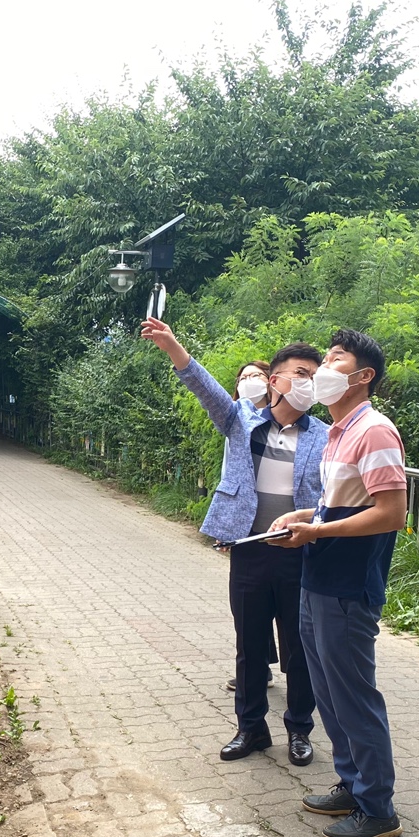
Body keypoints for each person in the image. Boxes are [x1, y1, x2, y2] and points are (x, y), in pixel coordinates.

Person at [141, 317, 328, 766]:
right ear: (276, 379)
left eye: (313, 377)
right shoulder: (241, 421)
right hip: (249, 547)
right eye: (299, 374)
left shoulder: (325, 435)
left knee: (300, 647)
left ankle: (300, 730)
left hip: (300, 549)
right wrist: (173, 348)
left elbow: (336, 494)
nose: (307, 383)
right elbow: (204, 387)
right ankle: (251, 728)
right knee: (249, 642)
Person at [270, 329, 407, 837]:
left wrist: (319, 530)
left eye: (334, 359)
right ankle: (352, 785)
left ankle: (378, 810)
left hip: (348, 584)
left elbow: (391, 512)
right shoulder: (337, 432)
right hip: (319, 576)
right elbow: (345, 503)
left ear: (363, 375)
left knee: (353, 696)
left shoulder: (374, 431)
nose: (323, 369)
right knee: (328, 692)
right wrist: (307, 516)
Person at [224, 361, 279, 693]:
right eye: (243, 377)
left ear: (271, 381)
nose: (249, 381)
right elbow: (229, 474)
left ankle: (299, 676)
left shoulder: (285, 421)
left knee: (281, 605)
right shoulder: (234, 418)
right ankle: (257, 668)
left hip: (285, 526)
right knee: (247, 607)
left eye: (255, 375)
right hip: (246, 527)